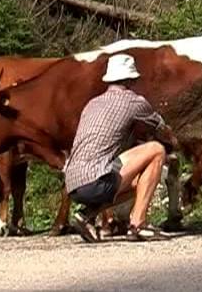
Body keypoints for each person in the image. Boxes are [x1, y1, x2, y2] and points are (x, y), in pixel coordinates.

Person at [63, 53, 179, 242]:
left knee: (140, 184)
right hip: (95, 182)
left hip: (73, 183)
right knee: (157, 149)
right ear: (131, 80)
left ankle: (87, 214)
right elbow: (162, 129)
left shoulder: (93, 103)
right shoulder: (134, 101)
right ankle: (138, 225)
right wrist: (174, 143)